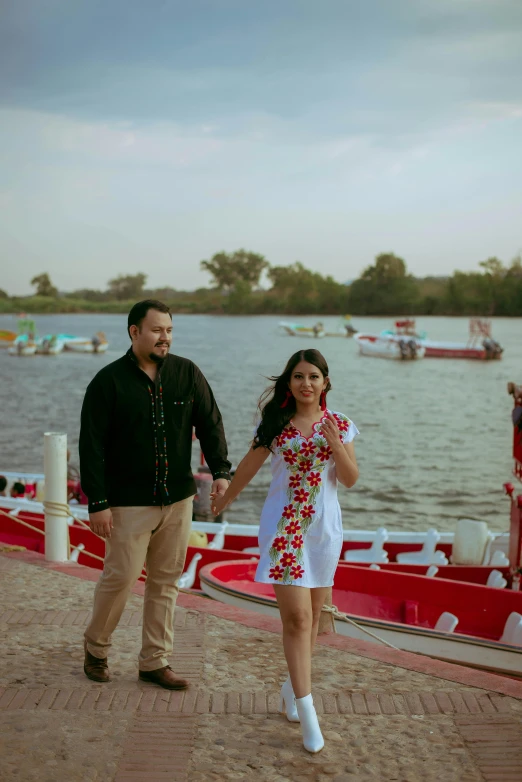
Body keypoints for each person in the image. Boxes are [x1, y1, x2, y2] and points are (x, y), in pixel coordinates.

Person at [212, 349, 359, 753]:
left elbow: (349, 479)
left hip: (324, 534)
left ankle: (290, 690)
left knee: (313, 622)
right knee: (296, 619)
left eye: (313, 376)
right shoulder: (275, 423)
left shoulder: (341, 425)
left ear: (325, 382)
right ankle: (307, 710)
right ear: (289, 383)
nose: (305, 383)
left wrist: (337, 445)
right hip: (284, 531)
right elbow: (249, 465)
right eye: (298, 376)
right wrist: (225, 497)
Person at [79, 299, 231, 690]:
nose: (165, 337)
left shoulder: (186, 373)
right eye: (157, 330)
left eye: (169, 330)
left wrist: (221, 472)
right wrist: (97, 502)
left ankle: (154, 661)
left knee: (166, 582)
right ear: (134, 332)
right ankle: (96, 649)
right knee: (121, 577)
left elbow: (211, 423)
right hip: (127, 501)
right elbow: (91, 446)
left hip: (178, 499)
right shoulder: (107, 382)